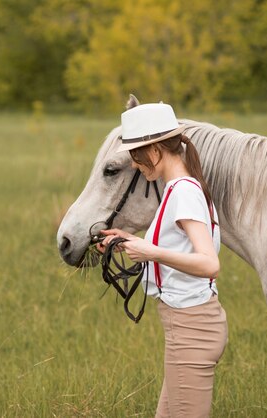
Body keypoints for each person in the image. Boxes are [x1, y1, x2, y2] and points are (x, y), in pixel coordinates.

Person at [97, 102, 227, 417]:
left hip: (191, 330)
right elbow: (178, 248)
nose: (136, 165)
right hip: (187, 326)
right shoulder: (177, 189)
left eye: (136, 157)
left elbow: (209, 263)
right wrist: (128, 242)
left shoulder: (182, 192)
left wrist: (149, 252)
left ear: (154, 149)